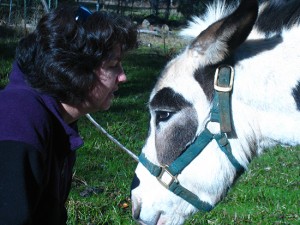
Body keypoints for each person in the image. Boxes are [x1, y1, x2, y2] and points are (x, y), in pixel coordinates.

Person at [0, 5, 137, 225]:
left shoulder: (57, 120)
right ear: (74, 67)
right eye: (113, 65)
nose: (123, 77)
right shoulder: (18, 121)